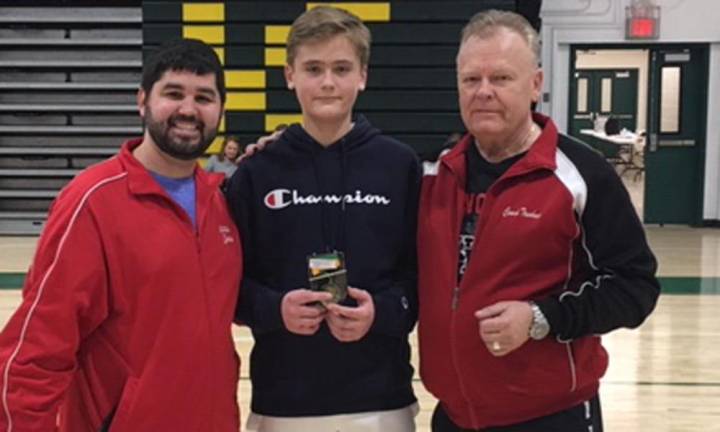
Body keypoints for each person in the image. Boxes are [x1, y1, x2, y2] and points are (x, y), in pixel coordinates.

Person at [417, 10, 660, 431]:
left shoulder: (581, 175)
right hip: (454, 415)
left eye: (502, 78)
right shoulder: (436, 174)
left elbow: (636, 287)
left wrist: (540, 319)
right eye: (471, 79)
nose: (484, 92)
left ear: (536, 85)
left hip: (550, 417)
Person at [0, 39, 243, 432]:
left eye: (204, 97)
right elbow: (36, 350)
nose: (188, 109)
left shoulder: (222, 204)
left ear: (220, 110)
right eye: (174, 93)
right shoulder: (93, 201)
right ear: (142, 100)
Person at [225, 6, 420, 432]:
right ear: (290, 74)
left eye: (341, 68)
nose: (328, 82)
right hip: (283, 402)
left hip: (381, 401)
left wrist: (381, 312)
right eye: (313, 68)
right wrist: (276, 309)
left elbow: (420, 279)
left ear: (363, 75)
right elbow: (227, 285)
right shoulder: (257, 172)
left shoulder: (399, 166)